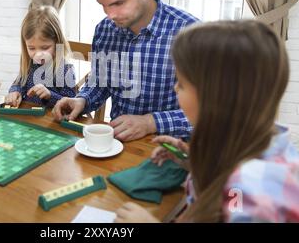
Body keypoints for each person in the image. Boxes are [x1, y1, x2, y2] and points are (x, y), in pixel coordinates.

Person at [115, 20, 299, 223]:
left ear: (215, 98)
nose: (176, 88)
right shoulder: (249, 142)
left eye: (182, 83)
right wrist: (191, 161)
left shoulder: (248, 190)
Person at [52, 0, 199, 141]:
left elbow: (214, 113)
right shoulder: (104, 30)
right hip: (117, 145)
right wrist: (82, 99)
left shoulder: (190, 33)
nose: (110, 15)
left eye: (118, 3)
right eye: (103, 5)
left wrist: (150, 122)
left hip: (173, 152)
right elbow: (101, 82)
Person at [5, 5, 76, 108]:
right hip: (29, 116)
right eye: (32, 48)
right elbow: (18, 83)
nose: (38, 54)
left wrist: (50, 95)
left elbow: (70, 104)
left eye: (45, 47)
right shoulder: (30, 63)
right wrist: (15, 91)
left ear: (57, 42)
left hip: (51, 121)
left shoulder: (65, 68)